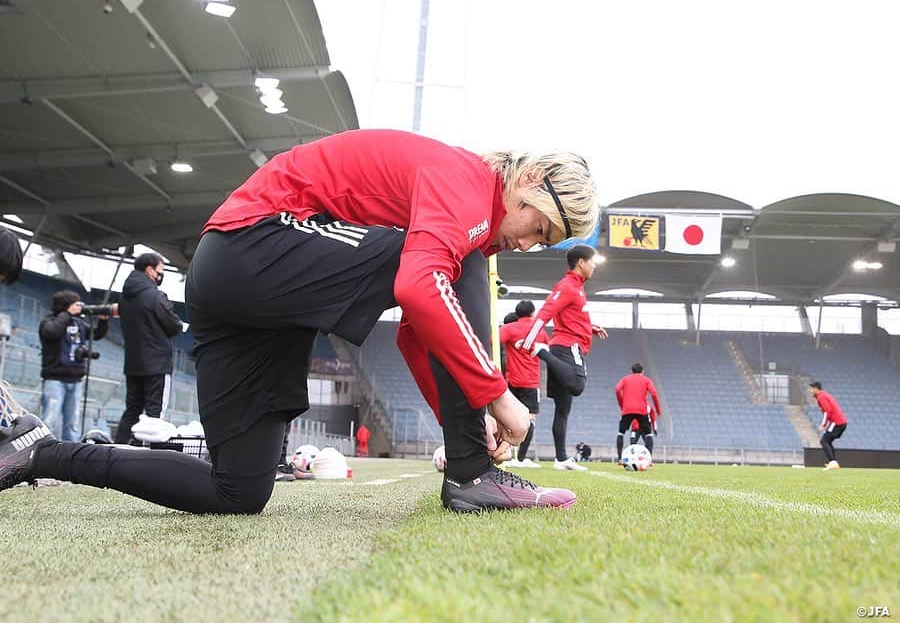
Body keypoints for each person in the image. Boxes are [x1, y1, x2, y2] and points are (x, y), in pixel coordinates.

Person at [1, 129, 597, 514]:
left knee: (236, 492)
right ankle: (473, 475)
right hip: (251, 244)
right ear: (523, 184)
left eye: (546, 243)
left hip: (252, 304)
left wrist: (457, 415)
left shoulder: (471, 212)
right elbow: (419, 289)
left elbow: (421, 330)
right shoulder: (466, 184)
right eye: (538, 229)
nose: (528, 245)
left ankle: (39, 452)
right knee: (459, 262)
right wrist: (497, 399)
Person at [518, 244, 607, 471]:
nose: (594, 265)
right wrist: (533, 342)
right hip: (567, 347)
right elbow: (546, 311)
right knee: (577, 385)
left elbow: (572, 317)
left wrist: (590, 327)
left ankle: (560, 458)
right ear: (581, 263)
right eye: (592, 261)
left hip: (566, 345)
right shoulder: (567, 286)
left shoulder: (578, 288)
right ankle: (542, 353)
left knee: (563, 407)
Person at [113, 253, 183, 444]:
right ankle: (143, 458)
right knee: (154, 416)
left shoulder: (125, 298)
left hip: (133, 363)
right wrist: (178, 325)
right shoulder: (155, 296)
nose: (161, 275)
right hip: (157, 364)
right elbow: (172, 324)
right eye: (160, 271)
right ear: (150, 270)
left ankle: (117, 451)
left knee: (132, 411)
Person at [38, 291, 109, 442]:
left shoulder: (79, 324)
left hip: (75, 380)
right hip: (55, 379)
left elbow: (96, 334)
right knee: (49, 419)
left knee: (72, 424)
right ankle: (40, 450)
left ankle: (70, 456)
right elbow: (51, 332)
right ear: (66, 306)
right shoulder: (49, 321)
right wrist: (67, 314)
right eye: (75, 304)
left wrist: (103, 321)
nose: (79, 307)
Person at [500, 300, 548, 468]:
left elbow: (492, 339)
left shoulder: (508, 328)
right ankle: (520, 458)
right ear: (533, 312)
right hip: (531, 381)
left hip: (511, 380)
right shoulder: (537, 330)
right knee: (530, 420)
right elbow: (546, 349)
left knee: (506, 418)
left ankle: (506, 453)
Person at [615, 363, 660, 464]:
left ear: (631, 371)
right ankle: (649, 460)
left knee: (621, 433)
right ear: (642, 372)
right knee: (649, 434)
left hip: (627, 410)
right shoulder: (646, 380)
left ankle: (619, 459)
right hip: (641, 409)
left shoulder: (625, 379)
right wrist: (658, 409)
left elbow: (617, 389)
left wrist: (622, 404)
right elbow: (654, 393)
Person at [809, 381, 847, 470]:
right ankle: (833, 463)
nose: (810, 391)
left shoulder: (821, 397)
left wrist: (823, 424)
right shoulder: (824, 395)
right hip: (841, 422)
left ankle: (832, 462)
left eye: (811, 389)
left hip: (837, 422)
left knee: (824, 441)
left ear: (815, 389)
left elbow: (827, 411)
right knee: (828, 441)